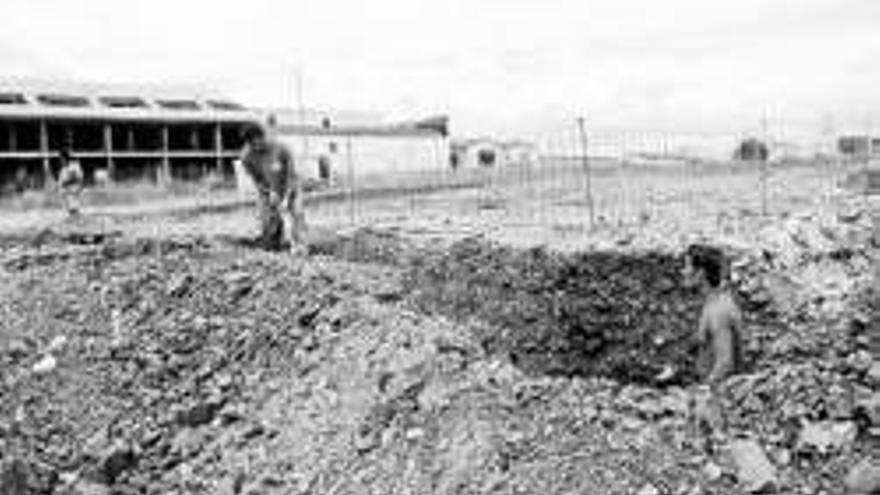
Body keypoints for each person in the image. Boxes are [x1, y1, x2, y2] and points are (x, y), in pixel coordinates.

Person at [681, 243, 744, 450]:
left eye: (687, 266)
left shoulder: (719, 310)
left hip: (718, 402)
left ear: (701, 273)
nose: (683, 271)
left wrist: (704, 393)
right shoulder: (714, 301)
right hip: (713, 396)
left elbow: (725, 361)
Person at [239, 123, 306, 251]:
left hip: (290, 187)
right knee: (267, 219)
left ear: (263, 137)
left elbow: (291, 175)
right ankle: (273, 247)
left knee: (297, 214)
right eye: (253, 145)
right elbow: (257, 180)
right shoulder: (246, 157)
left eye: (259, 142)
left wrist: (286, 197)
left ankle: (300, 247)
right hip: (268, 191)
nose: (257, 147)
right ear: (248, 144)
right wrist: (269, 192)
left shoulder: (281, 149)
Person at [57, 149, 84, 216]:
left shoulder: (74, 165)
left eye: (61, 159)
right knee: (69, 211)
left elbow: (77, 178)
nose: (60, 161)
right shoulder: (63, 169)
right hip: (66, 195)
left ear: (65, 158)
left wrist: (66, 183)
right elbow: (60, 183)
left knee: (74, 210)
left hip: (73, 192)